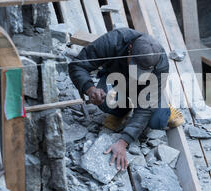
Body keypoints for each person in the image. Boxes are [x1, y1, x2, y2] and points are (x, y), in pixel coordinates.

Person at [69, 28, 183, 171]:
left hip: (145, 90)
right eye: (135, 66)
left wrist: (124, 141)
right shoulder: (114, 40)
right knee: (104, 101)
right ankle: (121, 110)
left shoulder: (160, 64)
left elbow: (146, 108)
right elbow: (77, 65)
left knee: (157, 120)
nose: (137, 72)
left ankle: (164, 108)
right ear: (130, 48)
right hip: (116, 79)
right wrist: (90, 89)